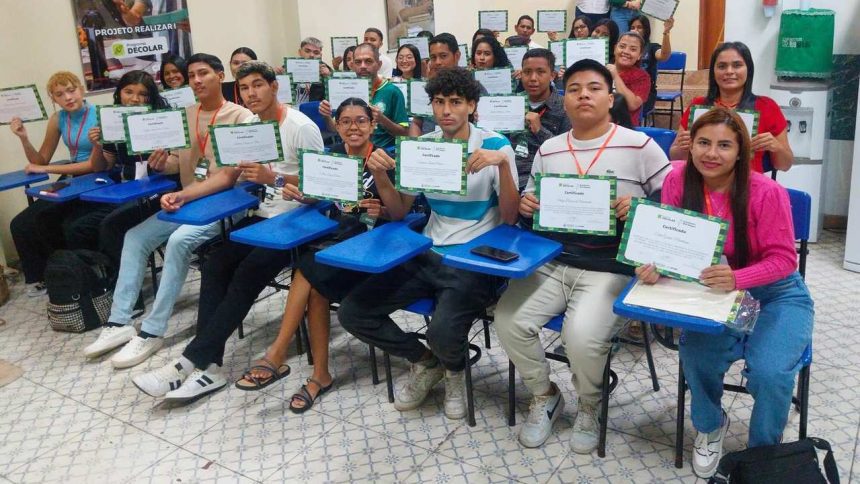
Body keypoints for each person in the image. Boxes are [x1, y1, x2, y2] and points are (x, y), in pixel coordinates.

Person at [493, 59, 669, 453]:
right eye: (574, 88)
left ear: (610, 97)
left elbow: (672, 201)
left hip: (610, 267)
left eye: (593, 87)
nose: (583, 94)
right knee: (507, 319)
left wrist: (639, 209)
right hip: (554, 260)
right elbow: (531, 206)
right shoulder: (550, 149)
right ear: (565, 98)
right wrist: (527, 205)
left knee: (580, 336)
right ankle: (545, 394)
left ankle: (590, 404)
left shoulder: (640, 145)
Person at [132, 61, 325, 402]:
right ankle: (211, 366)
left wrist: (275, 179)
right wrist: (183, 193)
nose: (251, 94)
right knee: (216, 261)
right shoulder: (250, 125)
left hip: (296, 221)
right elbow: (225, 176)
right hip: (261, 217)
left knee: (248, 271)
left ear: (274, 87)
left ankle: (190, 361)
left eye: (258, 86)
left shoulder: (300, 126)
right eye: (246, 88)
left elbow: (323, 184)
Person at [637, 107, 813, 478]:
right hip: (718, 294)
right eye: (703, 142)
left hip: (775, 295)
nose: (711, 153)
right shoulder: (678, 180)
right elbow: (670, 239)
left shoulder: (766, 192)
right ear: (691, 143)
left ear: (741, 152)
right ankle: (709, 425)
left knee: (768, 371)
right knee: (697, 351)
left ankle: (762, 452)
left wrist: (738, 277)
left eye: (724, 145)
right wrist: (655, 266)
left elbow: (784, 260)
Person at [338, 67, 519, 420]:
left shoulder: (496, 146)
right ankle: (426, 362)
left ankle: (454, 370)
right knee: (353, 312)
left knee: (441, 330)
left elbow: (511, 218)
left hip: (471, 260)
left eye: (455, 102)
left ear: (472, 105)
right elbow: (399, 211)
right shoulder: (422, 147)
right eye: (438, 102)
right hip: (426, 251)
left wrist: (503, 168)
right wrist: (380, 177)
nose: (446, 111)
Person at [82, 53, 254, 369]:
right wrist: (164, 162)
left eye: (204, 73)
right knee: (134, 237)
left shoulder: (241, 117)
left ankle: (152, 331)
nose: (197, 81)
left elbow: (228, 177)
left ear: (219, 75)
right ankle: (119, 323)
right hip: (188, 200)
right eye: (192, 76)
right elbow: (179, 162)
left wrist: (183, 195)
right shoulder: (184, 115)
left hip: (227, 204)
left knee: (178, 243)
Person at [228, 98, 393, 410]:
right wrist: (298, 195)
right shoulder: (330, 159)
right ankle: (320, 375)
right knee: (314, 286)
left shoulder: (383, 159)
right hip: (336, 240)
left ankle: (278, 353)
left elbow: (397, 213)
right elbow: (317, 195)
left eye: (361, 121)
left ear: (373, 125)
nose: (353, 127)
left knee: (306, 269)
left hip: (370, 247)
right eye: (345, 121)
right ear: (336, 125)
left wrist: (380, 208)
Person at [23, 71, 171, 278]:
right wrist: (97, 145)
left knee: (103, 226)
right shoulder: (112, 120)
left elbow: (176, 164)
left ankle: (117, 282)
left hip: (155, 191)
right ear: (119, 93)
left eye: (142, 94)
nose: (134, 99)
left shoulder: (162, 119)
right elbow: (103, 166)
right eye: (128, 92)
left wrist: (164, 161)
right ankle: (87, 278)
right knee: (66, 223)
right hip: (123, 189)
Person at [9, 71, 98, 296]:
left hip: (96, 178)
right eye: (60, 94)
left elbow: (93, 166)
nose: (68, 97)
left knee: (54, 220)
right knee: (21, 223)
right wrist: (23, 138)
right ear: (53, 99)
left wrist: (46, 169)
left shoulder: (99, 115)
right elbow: (41, 160)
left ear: (81, 88)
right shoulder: (58, 119)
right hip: (70, 178)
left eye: (71, 90)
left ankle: (73, 272)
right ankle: (43, 277)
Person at [670, 42, 794, 173]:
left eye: (737, 65)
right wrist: (682, 147)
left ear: (748, 69)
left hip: (748, 186)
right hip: (702, 182)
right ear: (713, 72)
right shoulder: (698, 105)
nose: (729, 71)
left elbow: (784, 165)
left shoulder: (767, 107)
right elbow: (675, 156)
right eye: (722, 66)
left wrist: (776, 147)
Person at [319, 43, 408, 149]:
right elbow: (334, 128)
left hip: (380, 153)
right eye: (358, 62)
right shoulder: (346, 89)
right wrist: (326, 116)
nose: (363, 66)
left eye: (368, 61)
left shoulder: (392, 91)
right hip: (351, 150)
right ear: (352, 66)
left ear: (379, 64)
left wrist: (382, 119)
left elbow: (404, 134)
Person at [512, 48, 571, 191]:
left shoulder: (566, 108)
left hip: (545, 182)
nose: (533, 78)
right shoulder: (510, 103)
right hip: (509, 177)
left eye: (540, 72)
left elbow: (568, 155)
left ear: (552, 75)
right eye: (527, 72)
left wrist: (540, 130)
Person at [408, 33, 463, 136]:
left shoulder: (470, 86)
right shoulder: (425, 87)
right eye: (433, 57)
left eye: (443, 56)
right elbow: (416, 123)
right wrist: (416, 146)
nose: (437, 62)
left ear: (457, 56)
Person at [630, 15, 674, 118]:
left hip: (646, 92)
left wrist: (666, 32)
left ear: (646, 30)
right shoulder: (625, 49)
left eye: (639, 27)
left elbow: (664, 56)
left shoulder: (651, 47)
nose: (635, 30)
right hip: (628, 89)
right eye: (632, 28)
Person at [607, 32, 650, 125]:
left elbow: (632, 104)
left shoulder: (642, 77)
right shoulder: (601, 71)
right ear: (615, 49)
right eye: (622, 46)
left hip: (624, 129)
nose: (626, 51)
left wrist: (615, 76)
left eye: (633, 49)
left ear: (639, 55)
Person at [293, 37, 335, 104]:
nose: (311, 55)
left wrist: (328, 77)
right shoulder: (288, 67)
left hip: (315, 110)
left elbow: (336, 95)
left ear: (320, 55)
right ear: (300, 52)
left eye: (316, 52)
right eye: (307, 51)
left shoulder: (327, 71)